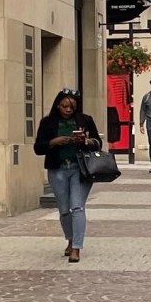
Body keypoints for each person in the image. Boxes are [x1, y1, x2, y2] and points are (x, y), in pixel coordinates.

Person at [33, 89, 103, 263]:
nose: (68, 110)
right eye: (65, 106)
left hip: (80, 169)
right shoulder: (48, 122)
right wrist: (54, 142)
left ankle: (77, 247)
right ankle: (70, 240)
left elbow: (98, 143)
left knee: (77, 207)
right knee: (64, 210)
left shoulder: (85, 120)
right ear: (58, 105)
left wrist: (85, 141)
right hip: (58, 169)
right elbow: (38, 148)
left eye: (72, 107)